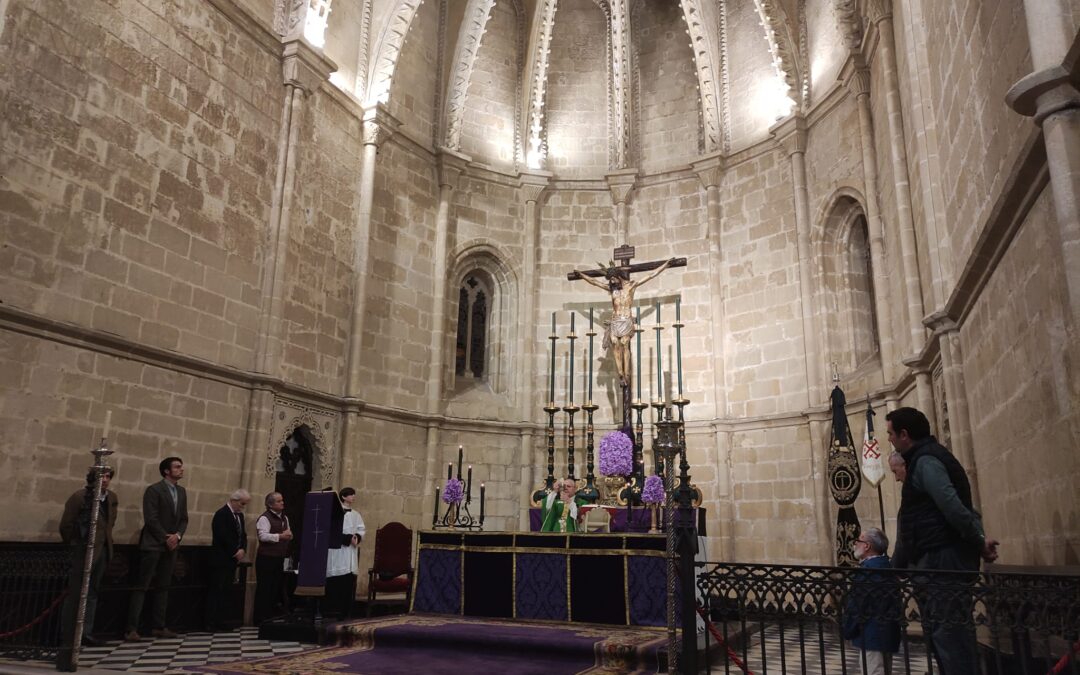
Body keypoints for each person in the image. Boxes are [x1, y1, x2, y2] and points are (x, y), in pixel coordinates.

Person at [886, 407, 999, 675]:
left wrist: (979, 541)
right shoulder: (922, 460)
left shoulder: (926, 461)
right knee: (942, 633)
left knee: (950, 636)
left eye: (890, 434)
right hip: (934, 560)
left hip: (942, 560)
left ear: (904, 434)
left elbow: (954, 507)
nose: (888, 439)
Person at [573, 258, 675, 386]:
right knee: (615, 343)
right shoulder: (612, 290)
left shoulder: (631, 286)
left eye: (613, 279)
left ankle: (626, 373)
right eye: (610, 280)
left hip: (626, 320)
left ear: (618, 277)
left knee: (625, 343)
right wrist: (581, 275)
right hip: (615, 321)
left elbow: (651, 275)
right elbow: (594, 282)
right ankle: (620, 374)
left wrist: (665, 265)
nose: (612, 282)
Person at [58, 467, 118, 660]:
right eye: (102, 476)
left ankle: (86, 632)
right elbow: (66, 525)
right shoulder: (80, 497)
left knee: (92, 592)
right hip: (83, 551)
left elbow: (109, 524)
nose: (106, 480)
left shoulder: (111, 498)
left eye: (108, 477)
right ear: (93, 478)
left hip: (102, 552)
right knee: (75, 592)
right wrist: (77, 546)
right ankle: (67, 634)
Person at [126, 457, 187, 641]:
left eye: (181, 466)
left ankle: (159, 626)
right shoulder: (154, 490)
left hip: (171, 545)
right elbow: (151, 518)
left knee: (164, 586)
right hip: (153, 544)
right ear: (166, 471)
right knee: (142, 586)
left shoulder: (182, 492)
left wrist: (177, 535)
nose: (181, 469)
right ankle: (131, 628)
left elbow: (184, 518)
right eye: (177, 467)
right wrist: (165, 537)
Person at [842, 527, 902, 675]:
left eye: (858, 541)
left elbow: (858, 605)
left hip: (872, 632)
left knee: (874, 670)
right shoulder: (886, 566)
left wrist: (848, 629)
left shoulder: (868, 571)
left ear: (867, 546)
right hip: (886, 631)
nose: (855, 543)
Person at [205, 489, 250, 631]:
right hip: (220, 558)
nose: (243, 507)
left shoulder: (239, 516)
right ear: (234, 500)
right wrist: (234, 551)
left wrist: (243, 548)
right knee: (216, 590)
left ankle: (222, 620)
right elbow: (221, 535)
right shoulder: (222, 514)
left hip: (232, 560)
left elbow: (243, 534)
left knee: (226, 590)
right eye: (242, 503)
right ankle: (211, 622)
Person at [325, 487, 366, 618]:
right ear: (343, 497)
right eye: (351, 495)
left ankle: (346, 611)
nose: (353, 497)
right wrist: (348, 538)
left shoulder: (356, 514)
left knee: (348, 579)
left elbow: (361, 528)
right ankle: (332, 610)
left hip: (351, 551)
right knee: (337, 579)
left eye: (354, 494)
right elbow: (332, 531)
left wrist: (357, 537)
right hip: (338, 550)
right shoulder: (335, 513)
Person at [254, 491, 293, 624]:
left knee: (275, 586)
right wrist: (280, 536)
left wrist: (287, 536)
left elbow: (289, 533)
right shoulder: (265, 518)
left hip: (280, 557)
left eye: (282, 500)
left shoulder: (285, 518)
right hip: (267, 557)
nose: (282, 503)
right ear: (270, 504)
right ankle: (260, 617)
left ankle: (271, 614)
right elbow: (263, 536)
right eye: (278, 501)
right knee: (265, 587)